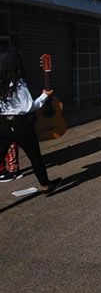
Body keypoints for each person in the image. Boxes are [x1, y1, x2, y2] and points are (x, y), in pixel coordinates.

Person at [0, 46, 61, 193]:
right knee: (35, 157)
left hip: (3, 124)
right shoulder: (18, 83)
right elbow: (29, 107)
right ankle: (46, 185)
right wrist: (45, 95)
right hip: (21, 124)